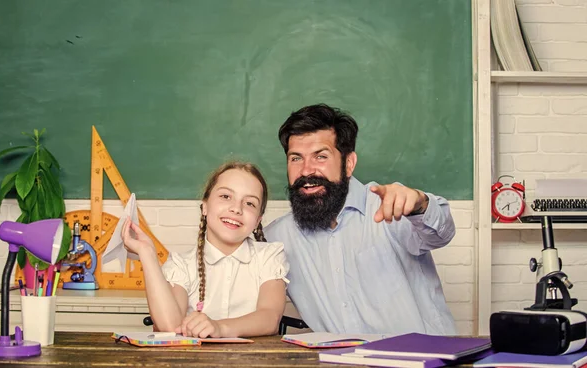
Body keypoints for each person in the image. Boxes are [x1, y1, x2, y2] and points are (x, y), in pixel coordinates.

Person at [265, 104, 457, 336]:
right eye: (296, 158)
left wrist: (420, 204)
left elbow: (441, 234)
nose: (306, 171)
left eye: (321, 156)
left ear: (348, 164)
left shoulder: (392, 206)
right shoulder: (276, 239)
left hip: (424, 359)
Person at [122, 161, 289, 338]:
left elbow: (270, 317)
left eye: (249, 203)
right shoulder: (182, 265)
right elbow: (170, 326)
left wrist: (219, 328)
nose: (236, 208)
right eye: (225, 196)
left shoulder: (269, 257)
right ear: (205, 206)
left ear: (257, 221)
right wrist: (147, 254)